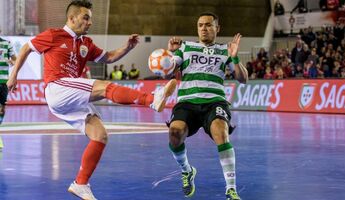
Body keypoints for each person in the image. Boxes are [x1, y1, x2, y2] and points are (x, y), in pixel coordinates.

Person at [6, 1, 177, 199]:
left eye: (90, 19)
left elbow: (109, 58)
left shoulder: (86, 43)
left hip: (71, 99)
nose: (89, 23)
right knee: (105, 87)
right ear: (71, 18)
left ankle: (81, 183)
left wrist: (128, 48)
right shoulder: (54, 35)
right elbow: (27, 47)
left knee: (100, 135)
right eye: (85, 18)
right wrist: (13, 75)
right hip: (58, 88)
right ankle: (152, 99)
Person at [166, 12, 248, 200]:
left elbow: (243, 79)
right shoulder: (185, 47)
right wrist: (170, 54)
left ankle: (231, 189)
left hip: (215, 102)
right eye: (200, 25)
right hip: (187, 103)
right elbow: (168, 71)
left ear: (217, 28)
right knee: (175, 134)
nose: (204, 28)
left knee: (221, 132)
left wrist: (234, 58)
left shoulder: (225, 50)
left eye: (208, 25)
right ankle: (187, 171)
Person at [0, 34, 17, 149]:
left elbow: (15, 61)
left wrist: (11, 62)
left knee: (2, 110)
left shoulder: (7, 44)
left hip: (3, 82)